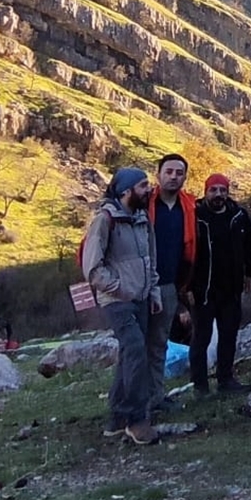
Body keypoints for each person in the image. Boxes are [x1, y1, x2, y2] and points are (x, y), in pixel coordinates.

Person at [81, 167, 162, 445]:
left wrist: (153, 292)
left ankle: (116, 419)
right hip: (116, 301)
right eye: (143, 186)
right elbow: (92, 269)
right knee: (136, 351)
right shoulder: (104, 220)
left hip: (141, 298)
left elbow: (150, 259)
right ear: (126, 191)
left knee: (130, 354)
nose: (149, 190)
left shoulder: (142, 218)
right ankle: (136, 420)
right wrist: (119, 288)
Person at [189, 174, 251, 395]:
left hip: (231, 288)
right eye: (214, 190)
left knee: (229, 335)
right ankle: (200, 385)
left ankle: (226, 379)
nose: (218, 194)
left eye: (222, 190)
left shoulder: (238, 215)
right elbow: (186, 251)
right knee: (201, 337)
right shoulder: (195, 216)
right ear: (205, 191)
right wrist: (186, 286)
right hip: (204, 289)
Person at [146, 153, 196, 415]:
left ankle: (156, 396)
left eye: (179, 173)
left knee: (159, 344)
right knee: (135, 347)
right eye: (169, 172)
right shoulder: (144, 203)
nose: (174, 177)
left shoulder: (188, 207)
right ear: (158, 174)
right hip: (140, 286)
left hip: (169, 285)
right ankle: (131, 402)